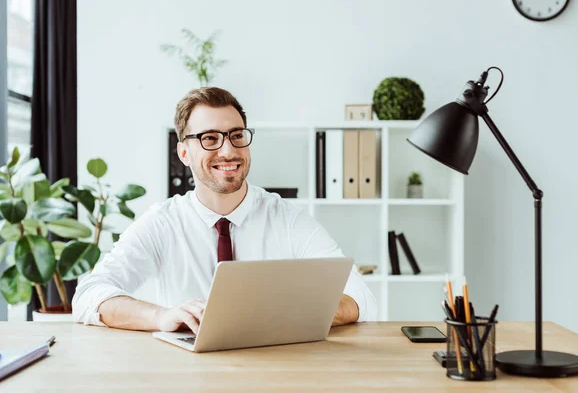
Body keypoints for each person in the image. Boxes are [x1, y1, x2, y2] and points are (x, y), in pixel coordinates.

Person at [72, 87, 377, 333]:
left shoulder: (287, 218)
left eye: (236, 135)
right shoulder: (162, 222)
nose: (228, 150)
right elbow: (89, 295)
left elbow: (360, 298)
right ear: (184, 153)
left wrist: (280, 313)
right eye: (210, 138)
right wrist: (161, 316)